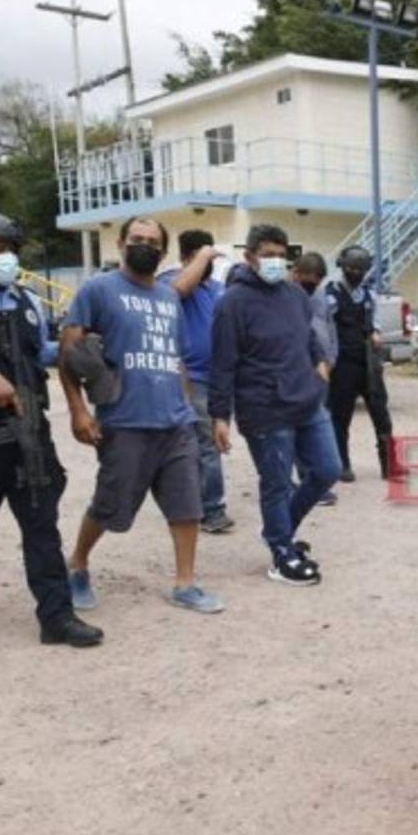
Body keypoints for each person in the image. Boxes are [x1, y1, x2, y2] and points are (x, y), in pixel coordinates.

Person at [59, 216, 224, 615]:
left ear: (163, 252)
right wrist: (79, 410)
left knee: (187, 505)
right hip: (124, 421)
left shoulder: (168, 297)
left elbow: (176, 358)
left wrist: (189, 408)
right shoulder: (99, 289)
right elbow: (69, 351)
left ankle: (185, 583)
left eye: (152, 241)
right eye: (137, 239)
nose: (144, 245)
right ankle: (78, 564)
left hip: (175, 422)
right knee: (109, 505)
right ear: (121, 243)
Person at [209, 225, 340, 586]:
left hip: (307, 399)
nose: (276, 262)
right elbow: (222, 363)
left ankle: (280, 532)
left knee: (327, 469)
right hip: (264, 408)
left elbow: (309, 336)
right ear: (250, 257)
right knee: (277, 483)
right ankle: (282, 554)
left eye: (282, 255)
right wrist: (220, 415)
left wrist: (320, 364)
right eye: (268, 255)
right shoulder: (232, 303)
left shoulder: (295, 295)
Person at [0, 212, 103, 646]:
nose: (0, 256)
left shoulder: (27, 300)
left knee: (42, 526)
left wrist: (81, 349)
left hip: (29, 437)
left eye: (5, 248)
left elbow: (41, 351)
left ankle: (56, 618)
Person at [157, 229, 234, 534]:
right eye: (204, 255)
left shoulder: (216, 288)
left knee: (208, 443)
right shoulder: (171, 281)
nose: (210, 262)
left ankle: (195, 500)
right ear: (189, 255)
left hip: (220, 378)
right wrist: (201, 259)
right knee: (207, 444)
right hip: (191, 379)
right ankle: (212, 509)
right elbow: (176, 292)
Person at [325, 246, 404, 482]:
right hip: (343, 366)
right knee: (340, 417)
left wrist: (376, 333)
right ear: (342, 267)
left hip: (369, 363)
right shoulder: (330, 295)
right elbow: (323, 329)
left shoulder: (369, 295)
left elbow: (375, 323)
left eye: (361, 270)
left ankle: (389, 465)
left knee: (381, 414)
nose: (357, 273)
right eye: (352, 269)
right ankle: (342, 464)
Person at [291, 252, 338, 507]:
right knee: (294, 428)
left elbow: (328, 327)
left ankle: (312, 480)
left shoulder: (319, 296)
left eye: (316, 282)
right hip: (296, 372)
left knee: (314, 425)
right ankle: (298, 481)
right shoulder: (284, 295)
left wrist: (331, 357)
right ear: (296, 273)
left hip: (321, 370)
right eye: (308, 281)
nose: (312, 286)